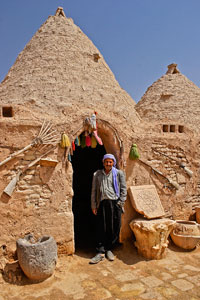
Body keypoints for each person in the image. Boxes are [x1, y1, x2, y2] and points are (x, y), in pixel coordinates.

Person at [90, 153, 127, 264]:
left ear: (113, 163)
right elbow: (94, 191)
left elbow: (124, 190)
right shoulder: (97, 174)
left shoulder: (119, 174)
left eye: (110, 162)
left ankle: (109, 249)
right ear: (103, 162)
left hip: (115, 204)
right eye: (106, 161)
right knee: (101, 227)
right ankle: (100, 252)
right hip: (102, 203)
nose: (108, 163)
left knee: (114, 227)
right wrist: (93, 205)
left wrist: (120, 203)